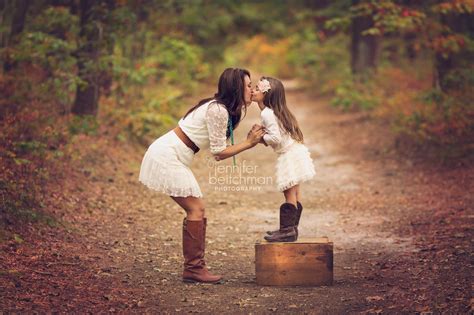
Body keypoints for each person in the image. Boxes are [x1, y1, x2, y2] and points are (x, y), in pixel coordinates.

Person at [139, 68, 265, 283]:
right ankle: (194, 269)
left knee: (196, 208)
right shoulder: (218, 110)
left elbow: (219, 150)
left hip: (174, 153)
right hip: (167, 154)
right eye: (248, 85)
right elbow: (219, 153)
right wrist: (248, 143)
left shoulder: (222, 108)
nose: (251, 89)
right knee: (196, 208)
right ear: (236, 88)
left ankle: (194, 268)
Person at [251, 76, 315, 242]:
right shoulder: (274, 111)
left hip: (289, 155)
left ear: (267, 95)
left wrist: (259, 138)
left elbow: (276, 139)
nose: (253, 90)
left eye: (257, 89)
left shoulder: (267, 113)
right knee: (294, 192)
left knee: (288, 192)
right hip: (296, 151)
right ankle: (291, 229)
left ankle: (287, 231)